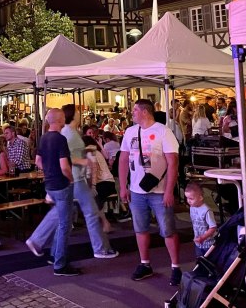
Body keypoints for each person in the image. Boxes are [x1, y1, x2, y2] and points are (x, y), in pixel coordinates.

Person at [28, 105, 118, 260]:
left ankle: (45, 245)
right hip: (74, 178)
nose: (79, 114)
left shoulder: (60, 134)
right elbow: (65, 159)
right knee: (85, 213)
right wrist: (83, 162)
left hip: (70, 179)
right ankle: (99, 248)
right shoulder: (67, 134)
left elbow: (42, 160)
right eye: (77, 112)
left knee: (62, 213)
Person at [119, 99, 181, 285]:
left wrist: (169, 191)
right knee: (140, 228)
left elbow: (173, 163)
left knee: (168, 230)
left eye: (135, 110)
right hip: (137, 190)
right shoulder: (130, 132)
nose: (132, 114)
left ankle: (176, 266)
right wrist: (123, 186)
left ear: (145, 112)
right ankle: (145, 263)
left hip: (160, 191)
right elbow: (123, 160)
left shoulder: (163, 131)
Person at [25, 108, 80, 276]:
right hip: (61, 184)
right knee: (64, 225)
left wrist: (50, 171)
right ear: (60, 119)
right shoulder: (60, 139)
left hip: (50, 184)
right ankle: (60, 264)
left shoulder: (44, 138)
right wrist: (71, 179)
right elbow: (64, 166)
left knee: (58, 216)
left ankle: (50, 251)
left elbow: (38, 161)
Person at [184, 182, 216, 258]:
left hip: (208, 244)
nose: (188, 201)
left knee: (209, 261)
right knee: (199, 261)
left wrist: (203, 237)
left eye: (191, 198)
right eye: (187, 198)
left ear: (200, 197)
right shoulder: (192, 207)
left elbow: (213, 227)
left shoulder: (206, 210)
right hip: (198, 242)